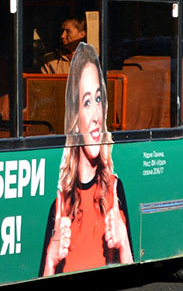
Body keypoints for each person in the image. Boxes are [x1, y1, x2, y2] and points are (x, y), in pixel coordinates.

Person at [41, 42, 133, 276]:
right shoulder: (59, 207)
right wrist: (51, 261)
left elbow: (129, 281)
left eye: (99, 99)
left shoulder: (115, 191)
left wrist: (124, 245)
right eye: (87, 102)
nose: (95, 115)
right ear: (74, 117)